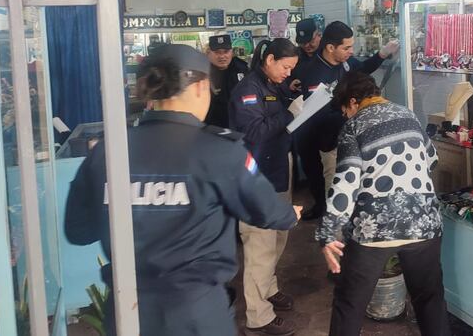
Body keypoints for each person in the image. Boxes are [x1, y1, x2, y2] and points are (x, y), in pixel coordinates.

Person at [63, 44, 299, 336]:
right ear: (199, 86)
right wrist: (290, 214)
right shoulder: (218, 150)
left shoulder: (106, 153)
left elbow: (78, 231)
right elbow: (266, 211)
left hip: (127, 312)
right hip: (195, 313)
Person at [317, 72, 451, 336]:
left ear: (353, 101)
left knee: (349, 303)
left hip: (374, 227)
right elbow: (432, 160)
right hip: (423, 222)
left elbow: (346, 184)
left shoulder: (353, 127)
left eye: (345, 110)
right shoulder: (408, 115)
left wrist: (326, 232)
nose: (346, 116)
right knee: (430, 300)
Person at [229, 38, 300, 336]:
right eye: (285, 67)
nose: (288, 73)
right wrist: (290, 113)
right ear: (269, 59)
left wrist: (291, 100)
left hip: (277, 170)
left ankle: (269, 288)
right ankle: (258, 316)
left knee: (278, 235)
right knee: (259, 244)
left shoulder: (272, 84)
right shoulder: (248, 89)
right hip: (255, 177)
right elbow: (254, 132)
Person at [298, 21, 399, 220]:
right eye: (346, 48)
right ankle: (331, 220)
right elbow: (319, 116)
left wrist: (382, 54)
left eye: (352, 46)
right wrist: (355, 114)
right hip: (324, 141)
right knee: (332, 186)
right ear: (330, 47)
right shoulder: (314, 74)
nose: (351, 51)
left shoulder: (345, 62)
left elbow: (361, 69)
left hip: (346, 136)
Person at [205, 33, 249, 128]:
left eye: (226, 51)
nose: (222, 56)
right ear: (208, 53)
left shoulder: (242, 69)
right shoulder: (202, 73)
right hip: (212, 129)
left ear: (231, 52)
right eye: (217, 52)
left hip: (240, 127)